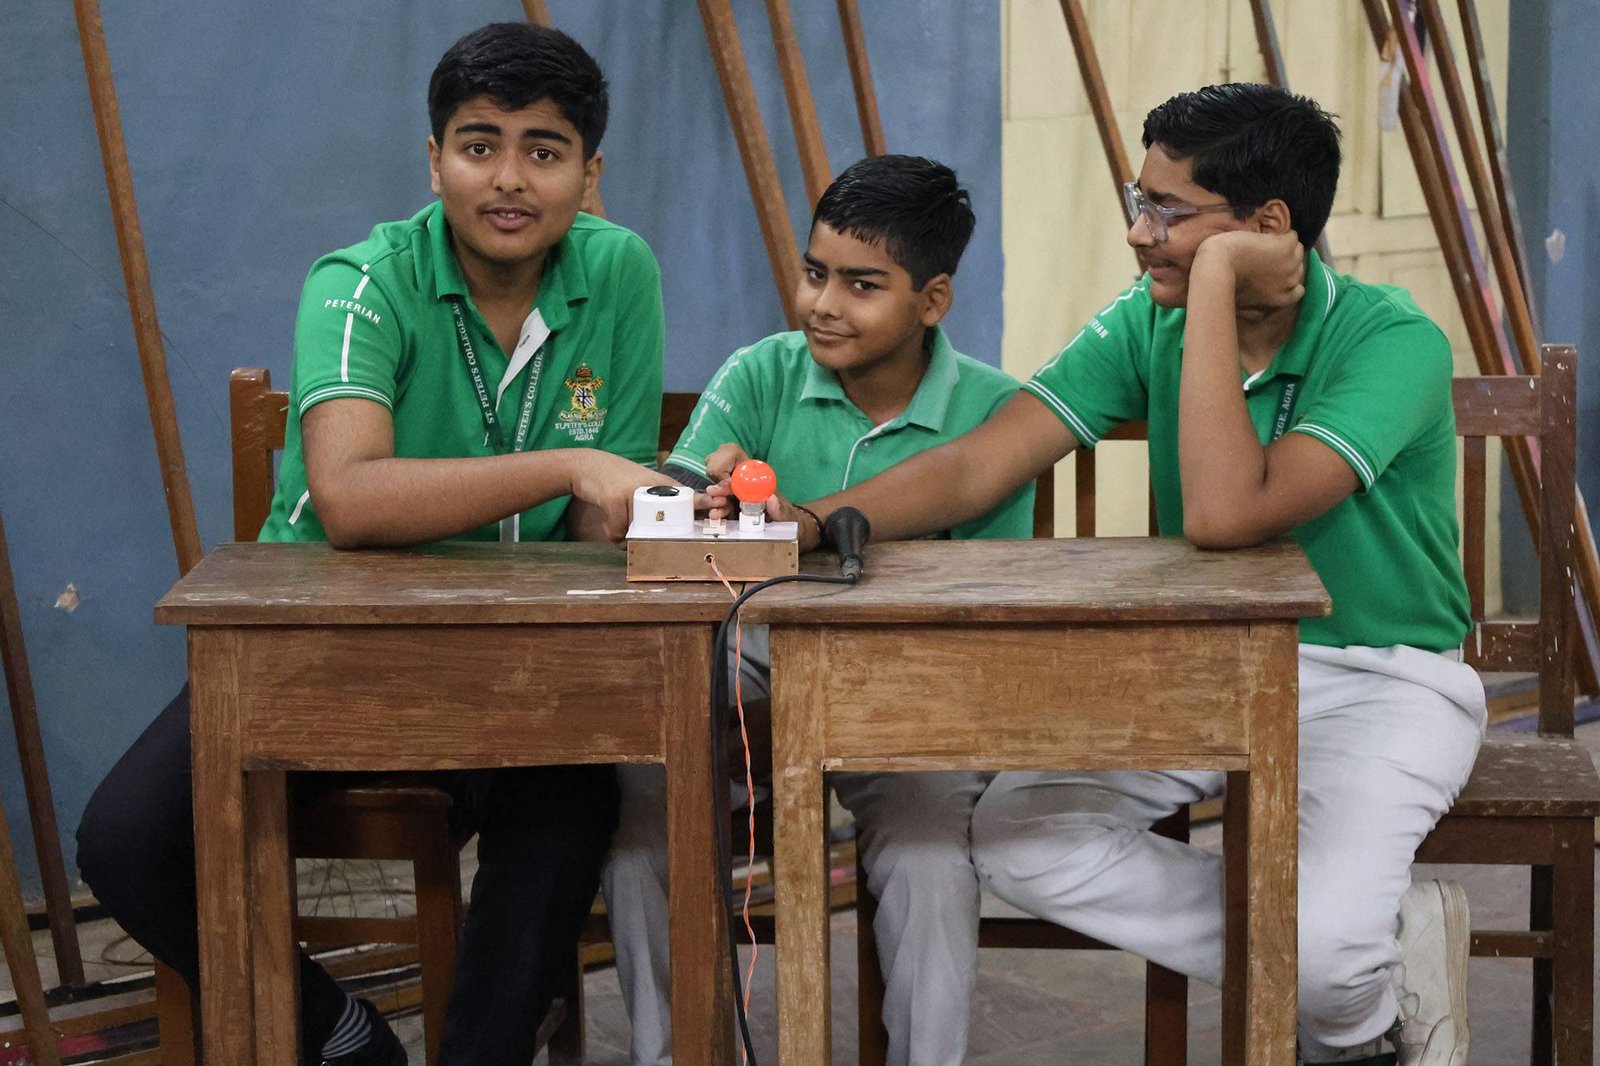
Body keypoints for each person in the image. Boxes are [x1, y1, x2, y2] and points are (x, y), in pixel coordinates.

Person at [720, 85, 1484, 1066]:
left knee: (1329, 961)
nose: (1137, 232)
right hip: (1207, 664)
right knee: (1018, 840)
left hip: (1378, 680)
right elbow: (981, 462)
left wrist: (1213, 284)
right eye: (1139, 198)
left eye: (1167, 210)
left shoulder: (1392, 340)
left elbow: (1223, 515)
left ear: (1267, 227)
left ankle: (1352, 1003)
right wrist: (814, 522)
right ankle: (1369, 957)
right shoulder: (1145, 322)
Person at [77, 22, 673, 1066]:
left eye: (544, 150)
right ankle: (342, 1035)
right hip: (321, 650)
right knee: (127, 839)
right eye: (479, 144)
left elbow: (596, 521)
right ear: (434, 161)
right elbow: (348, 498)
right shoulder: (359, 280)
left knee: (572, 799)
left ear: (590, 176)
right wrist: (566, 465)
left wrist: (640, 502)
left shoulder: (618, 270)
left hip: (511, 656)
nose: (509, 178)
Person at [602, 155, 1033, 1066]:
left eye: (862, 285)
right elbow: (672, 497)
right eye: (814, 273)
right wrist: (698, 499)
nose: (824, 304)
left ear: (933, 300)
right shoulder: (760, 373)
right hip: (748, 676)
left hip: (912, 698)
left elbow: (985, 613)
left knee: (926, 856)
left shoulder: (995, 414)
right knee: (644, 819)